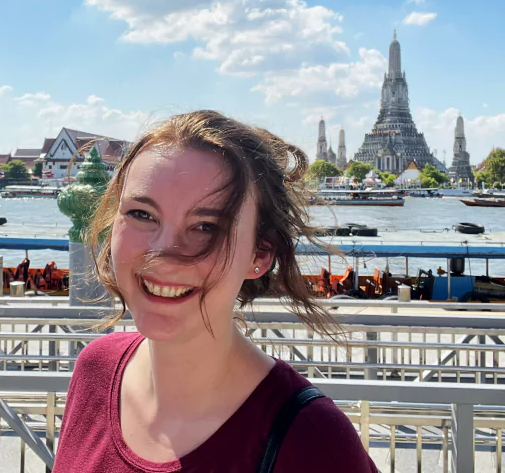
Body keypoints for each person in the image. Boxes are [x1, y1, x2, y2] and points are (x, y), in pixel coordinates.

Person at [53, 110, 378, 472]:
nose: (164, 254)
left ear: (260, 253)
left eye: (206, 226)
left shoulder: (313, 443)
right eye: (142, 214)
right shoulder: (95, 371)